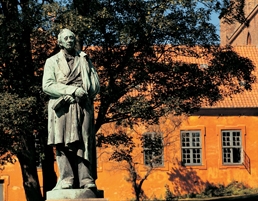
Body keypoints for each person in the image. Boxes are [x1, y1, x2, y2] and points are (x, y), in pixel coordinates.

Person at [42, 28, 100, 190]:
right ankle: (67, 178)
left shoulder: (84, 59)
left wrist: (85, 89)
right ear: (60, 42)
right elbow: (47, 86)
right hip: (62, 107)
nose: (69, 40)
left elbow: (95, 85)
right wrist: (72, 90)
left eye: (72, 38)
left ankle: (86, 178)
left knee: (84, 142)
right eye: (66, 38)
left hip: (83, 106)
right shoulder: (52, 61)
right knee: (61, 142)